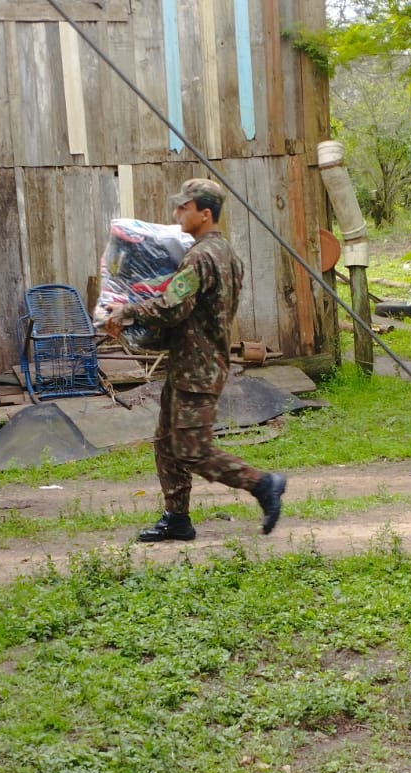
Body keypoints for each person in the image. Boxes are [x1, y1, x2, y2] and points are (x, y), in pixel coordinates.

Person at [104, 177, 286, 542]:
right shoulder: (226, 254)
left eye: (184, 208)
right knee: (167, 442)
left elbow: (173, 307)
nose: (177, 214)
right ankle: (177, 519)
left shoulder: (201, 257)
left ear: (205, 214)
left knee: (192, 450)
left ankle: (263, 484)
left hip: (196, 368)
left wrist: (127, 312)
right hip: (195, 363)